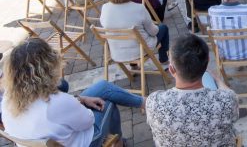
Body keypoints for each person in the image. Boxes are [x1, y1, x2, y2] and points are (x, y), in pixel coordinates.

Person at [1, 38, 144, 147]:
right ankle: (119, 142)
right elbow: (88, 121)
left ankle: (144, 102)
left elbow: (58, 107)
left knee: (103, 87)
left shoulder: (7, 98)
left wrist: (80, 99)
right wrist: (78, 103)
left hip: (48, 138)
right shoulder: (57, 102)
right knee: (108, 104)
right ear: (47, 67)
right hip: (86, 140)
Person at [146, 34, 239, 147]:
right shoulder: (227, 100)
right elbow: (231, 104)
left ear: (171, 69)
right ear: (207, 62)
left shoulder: (153, 102)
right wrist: (218, 79)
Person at [100, 0, 169, 64]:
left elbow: (104, 24)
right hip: (140, 51)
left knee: (130, 35)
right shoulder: (139, 8)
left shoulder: (105, 7)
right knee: (163, 28)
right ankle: (163, 59)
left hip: (117, 53)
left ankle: (133, 66)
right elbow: (154, 32)